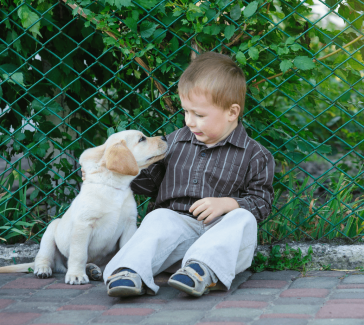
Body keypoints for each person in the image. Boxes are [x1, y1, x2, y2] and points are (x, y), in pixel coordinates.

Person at [101, 52, 275, 297]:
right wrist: (121, 173)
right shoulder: (174, 141)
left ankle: (200, 271)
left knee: (243, 219)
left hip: (220, 241)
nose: (190, 122)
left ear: (232, 112)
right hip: (175, 237)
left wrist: (228, 203)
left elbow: (262, 203)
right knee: (159, 217)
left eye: (200, 115)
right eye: (186, 112)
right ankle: (129, 271)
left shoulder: (255, 154)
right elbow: (150, 184)